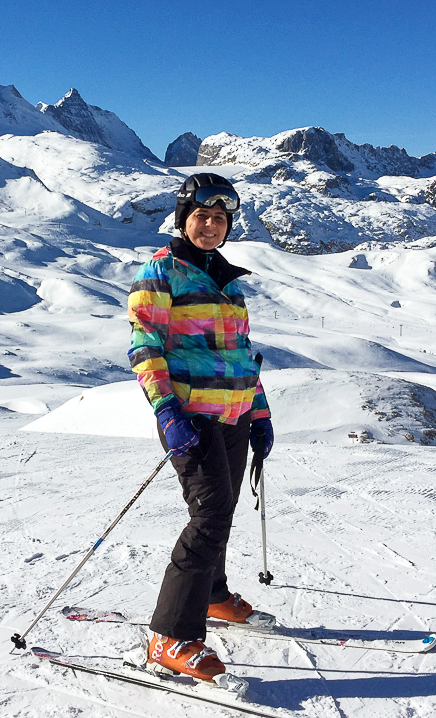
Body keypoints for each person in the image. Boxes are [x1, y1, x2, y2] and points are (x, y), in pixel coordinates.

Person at [126, 173, 275, 683]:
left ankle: (212, 595)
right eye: (201, 217)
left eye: (220, 219)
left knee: (224, 506)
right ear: (183, 219)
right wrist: (166, 410)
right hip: (190, 414)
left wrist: (259, 411)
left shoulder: (228, 282)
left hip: (233, 412)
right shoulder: (162, 272)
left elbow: (240, 355)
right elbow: (143, 344)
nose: (211, 226)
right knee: (209, 511)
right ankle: (170, 636)